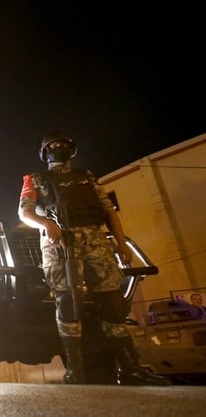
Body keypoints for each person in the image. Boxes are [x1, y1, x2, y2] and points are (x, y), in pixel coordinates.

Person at [18, 131, 170, 386]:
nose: (59, 148)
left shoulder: (86, 177)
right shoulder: (36, 179)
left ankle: (130, 368)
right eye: (53, 146)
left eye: (64, 144)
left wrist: (122, 244)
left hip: (96, 242)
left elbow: (109, 211)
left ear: (72, 149)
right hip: (61, 245)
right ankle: (75, 371)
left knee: (112, 303)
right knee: (69, 304)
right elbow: (24, 212)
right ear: (45, 153)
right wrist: (45, 223)